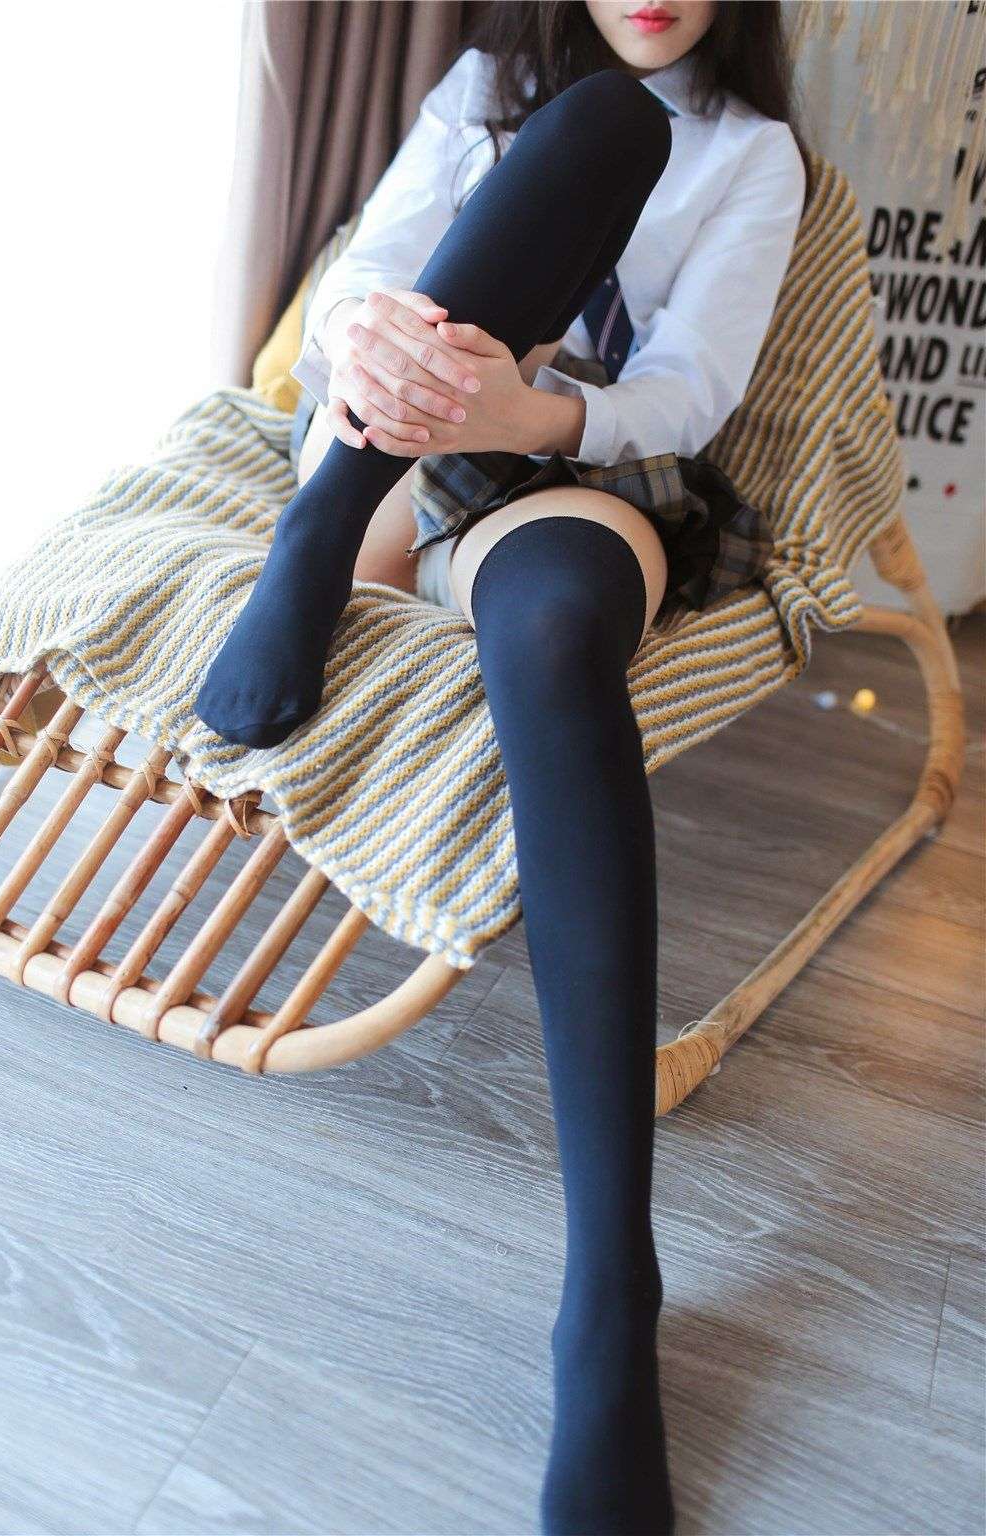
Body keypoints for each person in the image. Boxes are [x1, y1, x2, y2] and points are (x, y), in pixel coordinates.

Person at [198, 3, 809, 1531]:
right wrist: (372, 348)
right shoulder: (483, 84)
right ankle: (321, 523)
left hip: (566, 472)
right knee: (594, 126)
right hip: (393, 457)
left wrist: (521, 407)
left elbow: (688, 389)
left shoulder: (756, 154)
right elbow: (367, 279)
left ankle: (611, 1291)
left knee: (552, 633)